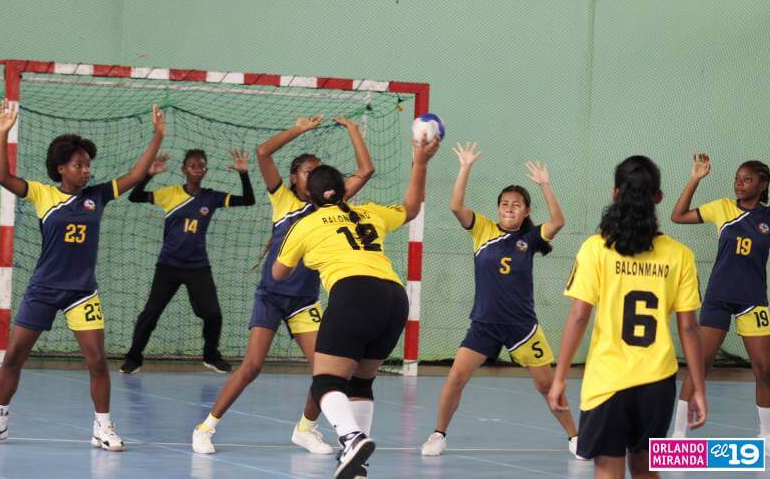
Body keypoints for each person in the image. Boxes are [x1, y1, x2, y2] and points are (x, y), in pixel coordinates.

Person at [0, 100, 166, 451]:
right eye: (79, 165)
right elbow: (2, 177)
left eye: (88, 165)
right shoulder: (43, 194)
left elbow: (136, 175)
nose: (87, 170)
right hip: (43, 289)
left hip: (82, 293)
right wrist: (2, 133)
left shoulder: (98, 196)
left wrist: (157, 136)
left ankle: (102, 427)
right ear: (61, 168)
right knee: (14, 357)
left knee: (97, 361)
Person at [192, 115, 374, 455]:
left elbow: (365, 171)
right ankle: (206, 426)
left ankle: (306, 429)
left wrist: (352, 129)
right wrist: (299, 129)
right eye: (308, 171)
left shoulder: (330, 204)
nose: (315, 176)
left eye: (319, 171)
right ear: (293, 178)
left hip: (305, 301)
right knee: (252, 366)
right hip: (272, 297)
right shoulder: (284, 200)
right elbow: (263, 153)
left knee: (327, 372)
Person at [272, 137, 440, 479]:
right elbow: (411, 208)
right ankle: (357, 465)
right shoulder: (368, 212)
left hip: (354, 293)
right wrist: (420, 163)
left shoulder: (304, 224)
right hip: (394, 298)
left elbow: (278, 272)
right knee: (361, 383)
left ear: (310, 195)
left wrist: (306, 253)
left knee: (325, 382)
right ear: (343, 191)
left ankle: (351, 438)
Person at [548, 155, 707, 479]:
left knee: (608, 468)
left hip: (607, 380)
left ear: (615, 193)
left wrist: (560, 376)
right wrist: (699, 389)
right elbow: (689, 329)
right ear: (659, 197)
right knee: (647, 469)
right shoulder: (680, 255)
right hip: (657, 382)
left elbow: (579, 318)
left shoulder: (595, 249)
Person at [420, 142, 580, 458]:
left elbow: (558, 221)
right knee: (455, 378)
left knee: (546, 387)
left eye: (517, 204)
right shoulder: (482, 229)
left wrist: (545, 185)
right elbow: (455, 205)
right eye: (505, 204)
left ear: (527, 211)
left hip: (522, 327)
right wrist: (465, 166)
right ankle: (438, 435)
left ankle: (576, 438)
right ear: (498, 208)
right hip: (484, 325)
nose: (509, 208)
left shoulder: (530, 238)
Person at [119, 148, 255, 374]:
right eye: (193, 166)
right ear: (184, 170)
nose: (198, 170)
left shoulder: (211, 197)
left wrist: (243, 173)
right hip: (168, 266)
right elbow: (135, 196)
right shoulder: (170, 194)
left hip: (198, 267)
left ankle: (211, 356)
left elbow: (248, 200)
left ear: (206, 170)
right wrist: (149, 175)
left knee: (213, 314)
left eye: (201, 166)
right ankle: (134, 358)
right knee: (150, 314)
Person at [669, 155, 770, 449]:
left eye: (747, 179)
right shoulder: (722, 208)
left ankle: (765, 437)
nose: (740, 183)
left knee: (764, 369)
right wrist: (696, 178)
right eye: (738, 178)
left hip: (754, 300)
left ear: (763, 185)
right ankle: (679, 436)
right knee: (700, 364)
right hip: (719, 298)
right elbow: (678, 215)